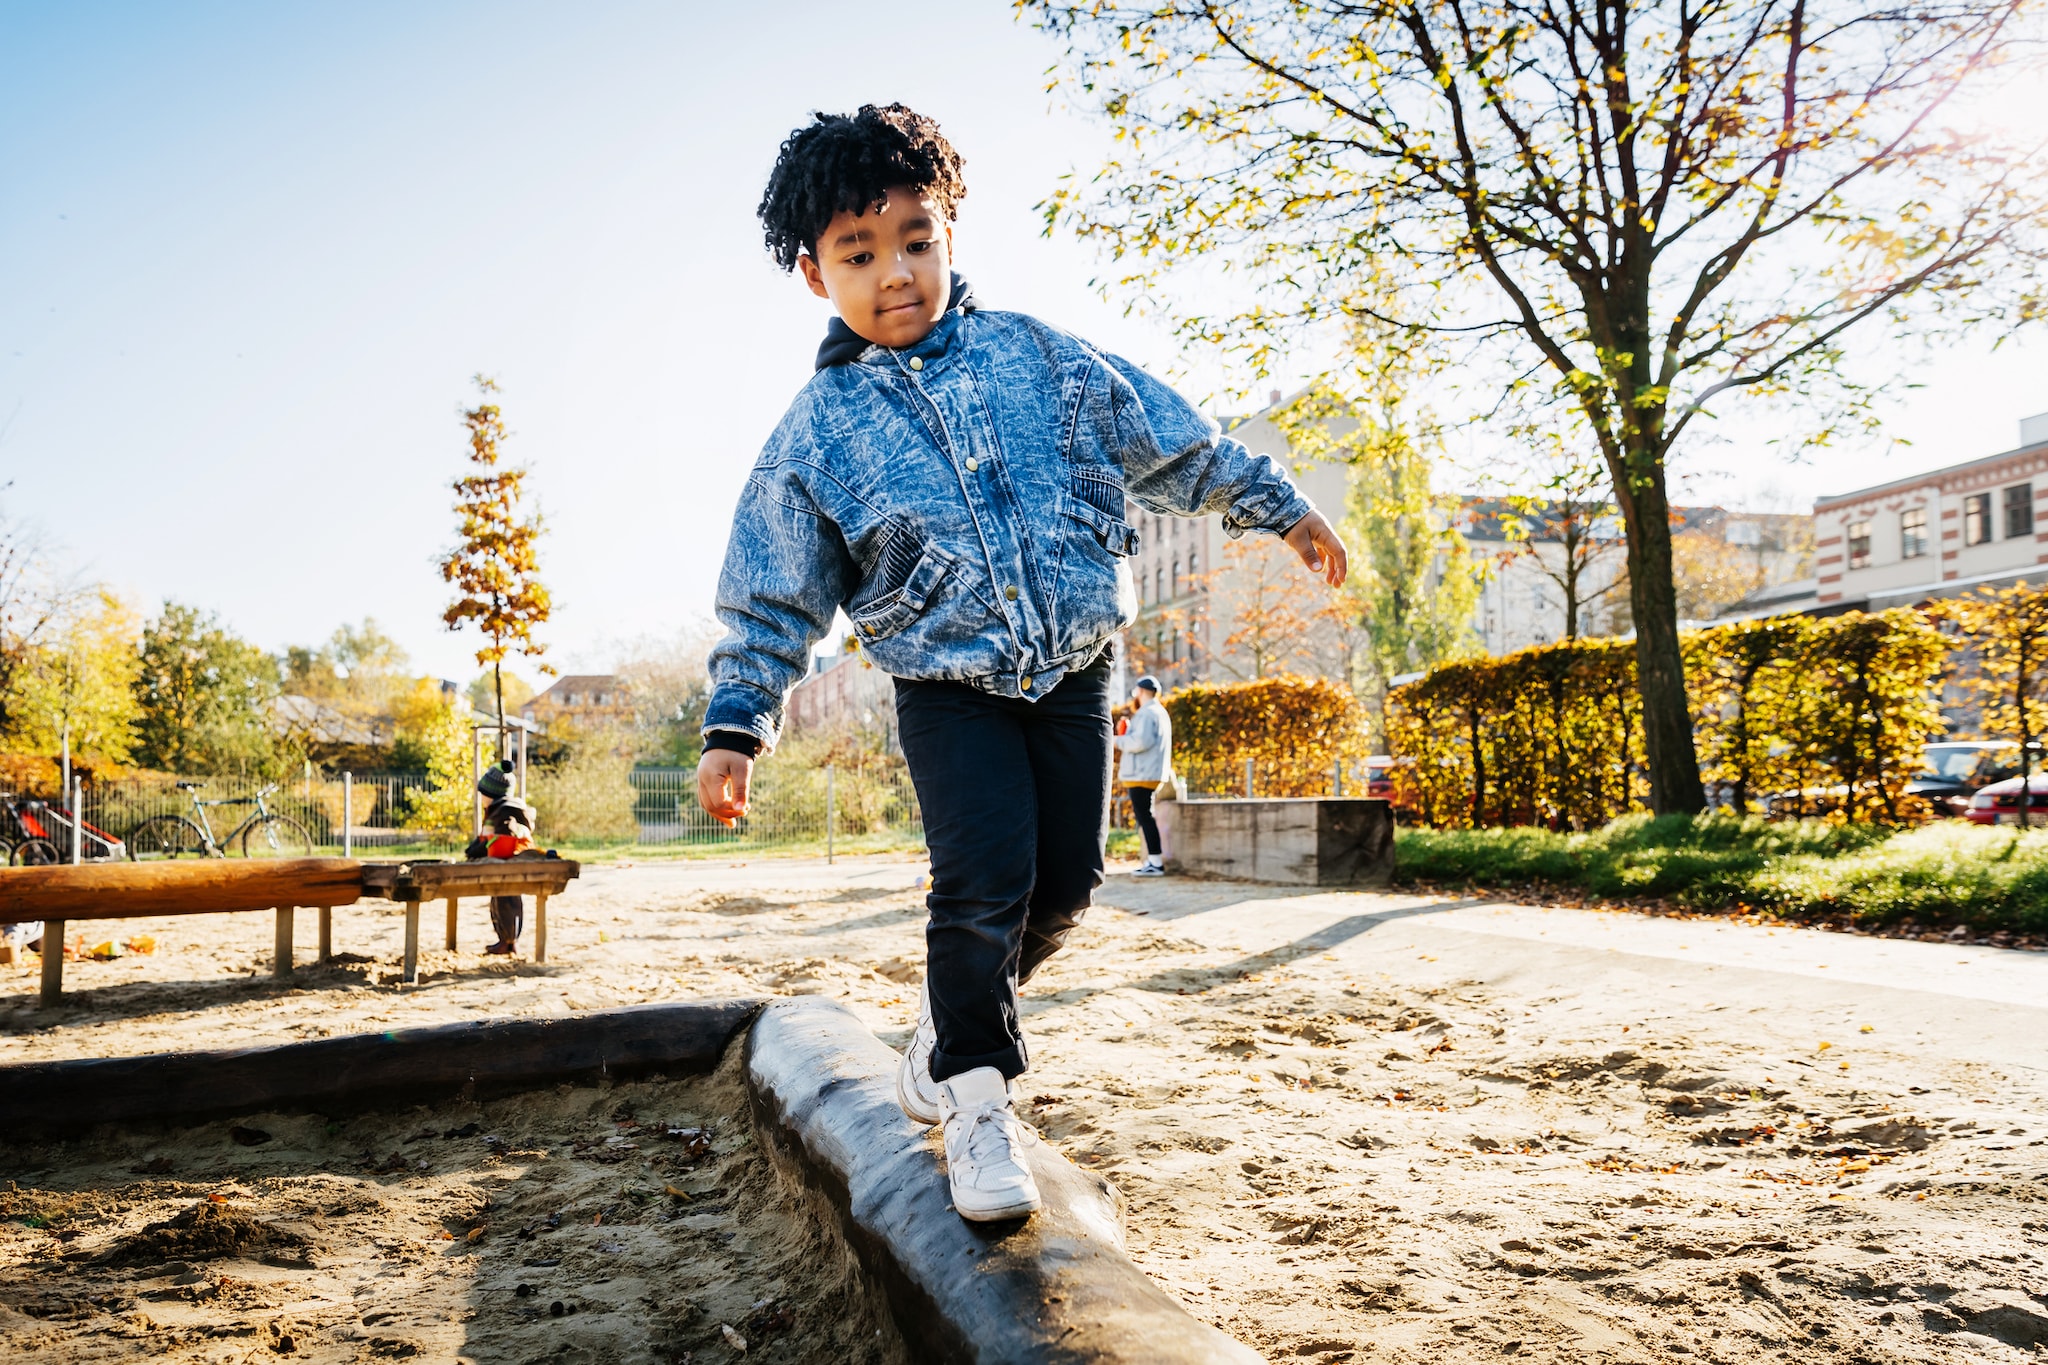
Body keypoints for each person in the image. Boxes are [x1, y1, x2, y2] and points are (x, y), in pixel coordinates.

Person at [695, 104, 1349, 1223]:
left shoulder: (1037, 359)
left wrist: (1277, 507)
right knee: (980, 883)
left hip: (1076, 667)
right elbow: (772, 588)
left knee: (1065, 888)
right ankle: (977, 1100)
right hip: (945, 685)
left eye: (915, 240)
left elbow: (1171, 440)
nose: (895, 273)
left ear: (949, 234)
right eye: (860, 255)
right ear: (815, 276)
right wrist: (733, 722)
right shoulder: (817, 430)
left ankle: (950, 1037)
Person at [466, 760, 535, 956]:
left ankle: (509, 941)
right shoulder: (501, 808)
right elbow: (487, 838)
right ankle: (505, 940)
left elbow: (500, 837)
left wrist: (477, 850)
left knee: (506, 900)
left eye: (483, 794)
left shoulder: (506, 810)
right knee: (501, 898)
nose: (481, 797)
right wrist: (476, 847)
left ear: (493, 793)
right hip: (506, 861)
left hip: (510, 862)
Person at [1114, 675, 1171, 876]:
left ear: (1140, 691)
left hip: (1142, 773)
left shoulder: (1147, 713)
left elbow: (1140, 742)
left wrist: (1118, 740)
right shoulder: (1159, 712)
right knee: (1146, 815)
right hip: (1150, 772)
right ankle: (1153, 861)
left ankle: (1155, 862)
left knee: (1144, 817)